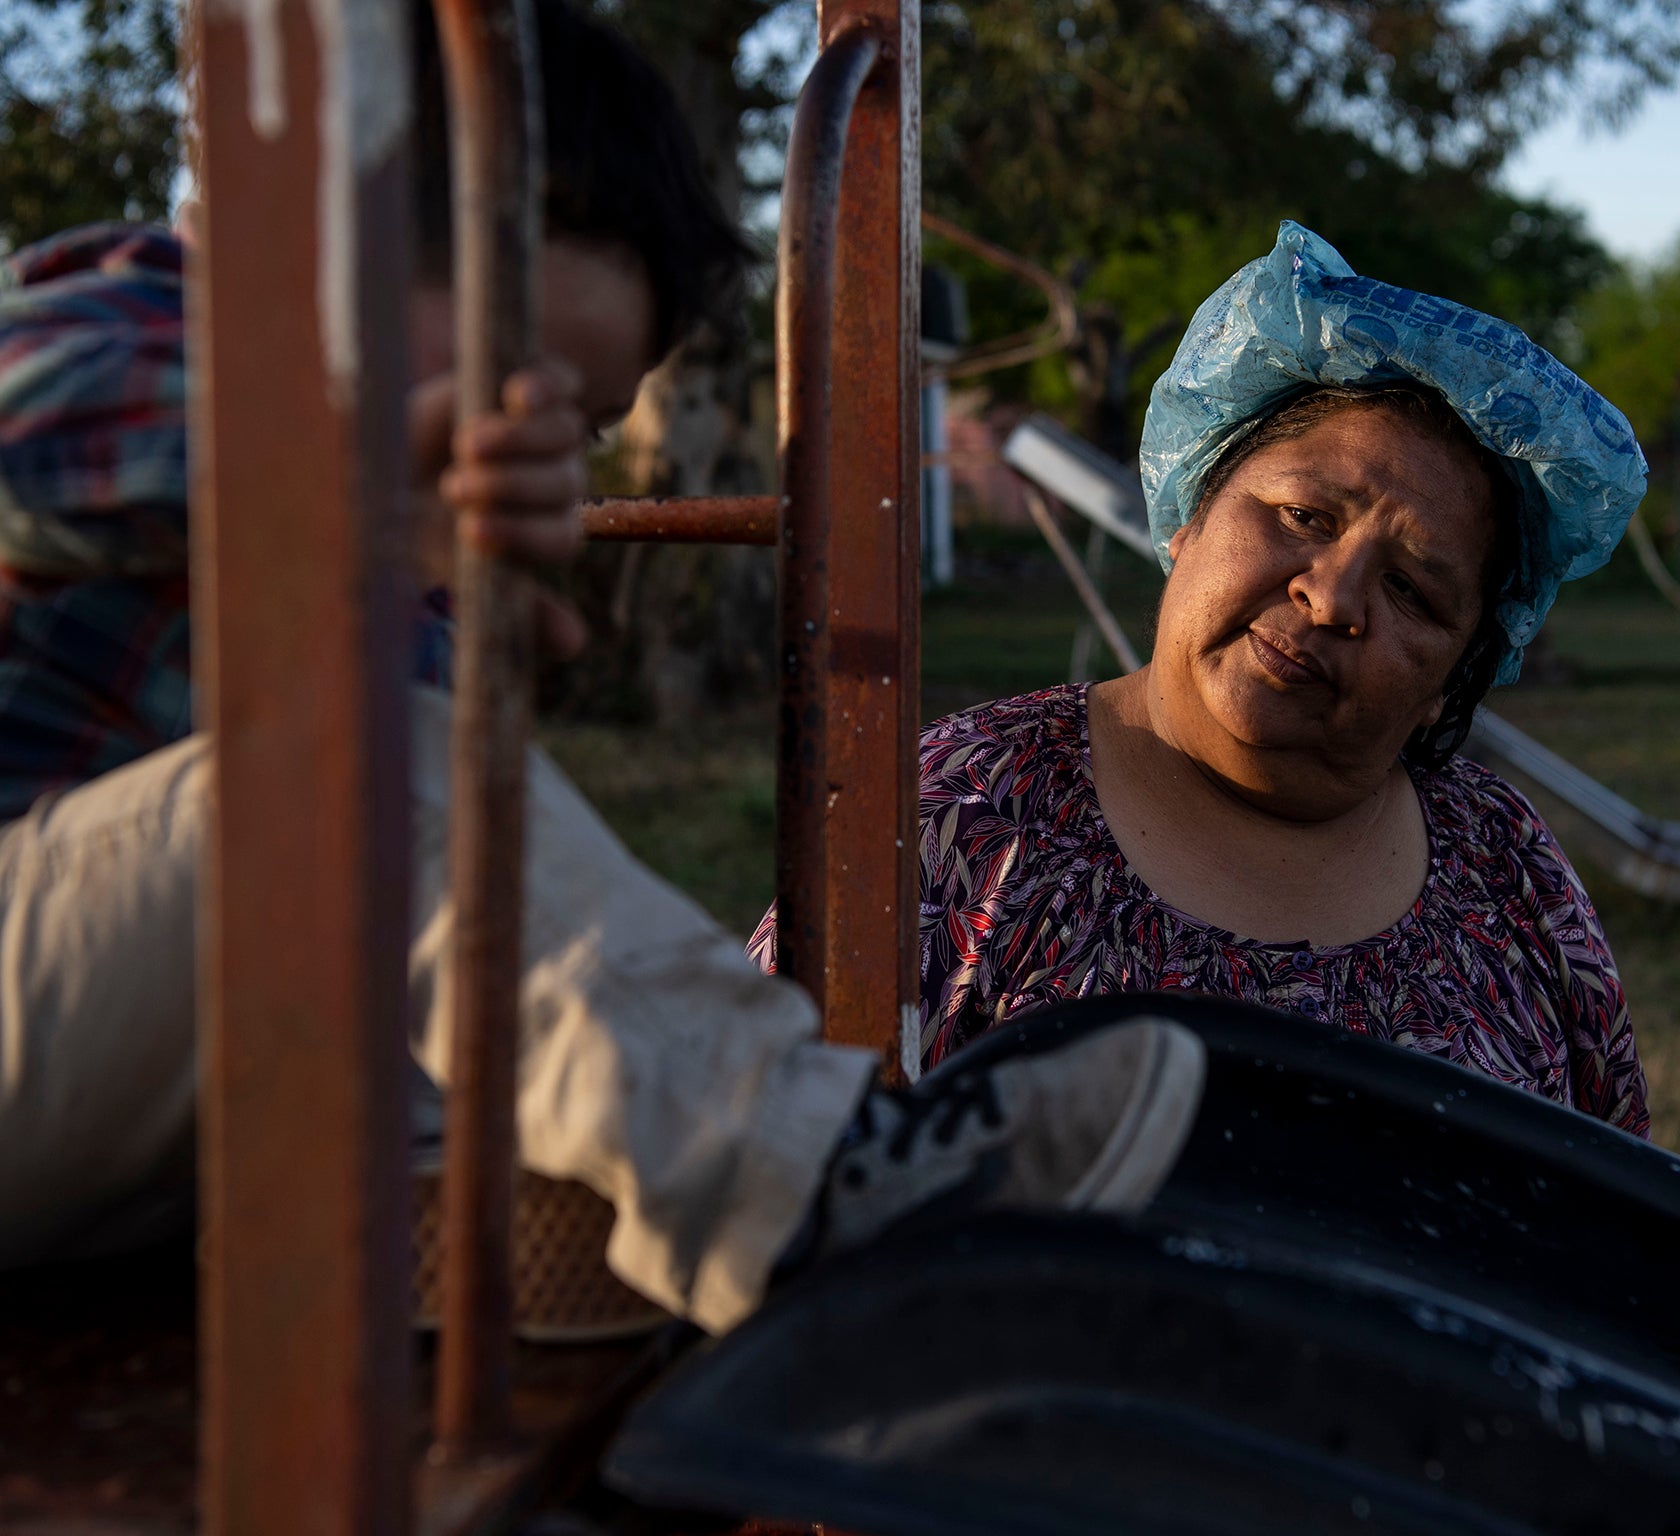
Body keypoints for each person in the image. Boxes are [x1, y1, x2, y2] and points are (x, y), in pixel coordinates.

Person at [0, 0, 1204, 1336]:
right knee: (386, 770)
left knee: (472, 924)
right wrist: (332, 460)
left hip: (120, 1106)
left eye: (579, 424)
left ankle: (577, 1251)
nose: (529, 455)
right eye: (504, 391)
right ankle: (831, 1188)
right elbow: (41, 433)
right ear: (306, 242)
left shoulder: (413, 604)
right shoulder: (120, 320)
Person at [755, 222, 1651, 1137]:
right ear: (1190, 514)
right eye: (1302, 514)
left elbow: (1611, 1219)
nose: (1333, 597)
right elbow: (747, 1162)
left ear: (1455, 677)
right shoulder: (955, 817)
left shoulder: (1509, 871)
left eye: (1413, 590)